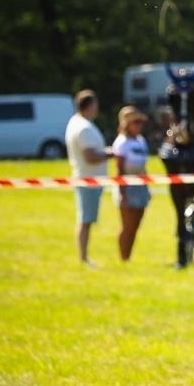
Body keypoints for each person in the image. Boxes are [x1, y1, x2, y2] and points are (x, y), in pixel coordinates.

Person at [64, 90, 111, 266]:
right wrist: (109, 153)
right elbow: (90, 156)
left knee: (86, 220)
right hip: (88, 179)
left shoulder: (77, 123)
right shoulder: (83, 127)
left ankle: (84, 257)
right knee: (85, 221)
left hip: (88, 178)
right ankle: (84, 258)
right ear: (90, 105)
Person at [111, 105, 152, 261]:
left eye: (140, 122)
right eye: (136, 122)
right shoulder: (121, 143)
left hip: (140, 186)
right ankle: (123, 257)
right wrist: (122, 193)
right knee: (127, 226)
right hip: (127, 187)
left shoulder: (141, 141)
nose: (139, 125)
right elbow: (119, 170)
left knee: (136, 225)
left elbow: (144, 166)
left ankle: (128, 255)